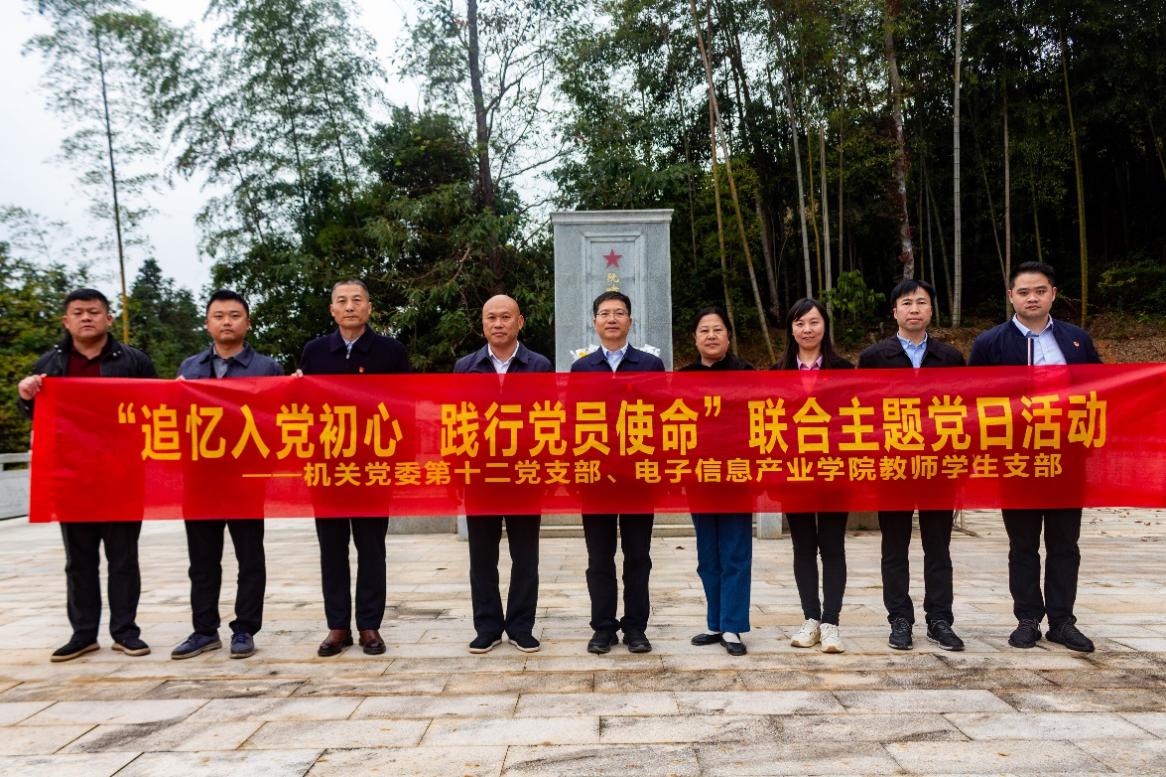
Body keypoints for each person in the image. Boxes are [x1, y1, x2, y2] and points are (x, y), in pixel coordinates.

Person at [969, 261, 1101, 653]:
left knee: (1065, 544)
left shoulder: (1076, 340)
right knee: (1023, 544)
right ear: (1011, 296)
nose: (1032, 298)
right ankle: (1028, 618)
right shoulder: (990, 344)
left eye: (1040, 291)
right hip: (1017, 460)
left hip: (1066, 458)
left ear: (1053, 294)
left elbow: (1102, 390)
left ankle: (1062, 621)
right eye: (1024, 292)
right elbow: (972, 400)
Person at [17, 288, 156, 662]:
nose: (86, 318)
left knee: (123, 559)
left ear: (108, 318)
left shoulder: (134, 361)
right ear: (66, 321)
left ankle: (125, 632)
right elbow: (37, 416)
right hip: (72, 479)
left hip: (121, 477)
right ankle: (83, 633)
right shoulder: (50, 364)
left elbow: (156, 410)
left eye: (94, 312)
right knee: (79, 561)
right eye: (78, 312)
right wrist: (26, 396)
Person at [299, 279, 410, 657]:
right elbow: (303, 410)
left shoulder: (391, 352)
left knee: (371, 549)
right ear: (332, 309)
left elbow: (405, 408)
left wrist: (400, 460)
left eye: (357, 300)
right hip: (327, 468)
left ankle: (368, 626)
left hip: (372, 468)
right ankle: (337, 626)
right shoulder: (314, 352)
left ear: (369, 307)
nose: (350, 306)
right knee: (331, 549)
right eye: (342, 301)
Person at [171, 290, 282, 660]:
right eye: (219, 316)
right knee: (202, 560)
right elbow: (175, 421)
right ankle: (204, 630)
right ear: (208, 323)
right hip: (200, 478)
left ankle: (245, 628)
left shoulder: (267, 368)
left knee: (249, 558)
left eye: (234, 315)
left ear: (247, 323)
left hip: (245, 478)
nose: (227, 322)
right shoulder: (190, 369)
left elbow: (281, 420)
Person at [858, 280, 966, 652]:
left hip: (939, 468)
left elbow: (965, 413)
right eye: (907, 303)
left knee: (938, 547)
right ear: (895, 312)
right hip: (893, 467)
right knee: (894, 547)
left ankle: (940, 619)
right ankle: (900, 619)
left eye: (921, 302)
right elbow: (862, 412)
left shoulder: (950, 357)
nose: (914, 309)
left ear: (931, 310)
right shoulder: (874, 357)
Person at [453, 294, 552, 654]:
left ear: (520, 322)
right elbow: (455, 422)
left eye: (505, 317)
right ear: (482, 324)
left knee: (525, 557)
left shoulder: (538, 366)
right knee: (482, 557)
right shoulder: (466, 367)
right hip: (480, 477)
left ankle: (521, 626)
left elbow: (549, 419)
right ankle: (488, 626)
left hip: (524, 475)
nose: (498, 324)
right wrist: (457, 473)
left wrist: (546, 471)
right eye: (491, 317)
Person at [571, 291, 666, 654]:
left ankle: (636, 628)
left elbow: (661, 420)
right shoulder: (582, 368)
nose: (612, 319)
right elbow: (573, 424)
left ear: (630, 321)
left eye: (619, 313)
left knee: (638, 557)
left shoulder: (649, 365)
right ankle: (603, 628)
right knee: (599, 559)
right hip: (596, 479)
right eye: (605, 313)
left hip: (638, 477)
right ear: (595, 322)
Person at [772, 298, 852, 654]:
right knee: (803, 548)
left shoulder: (844, 370)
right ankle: (811, 619)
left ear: (825, 326)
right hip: (794, 475)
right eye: (800, 323)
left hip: (835, 473)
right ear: (791, 329)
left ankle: (831, 622)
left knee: (832, 547)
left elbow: (855, 421)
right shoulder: (776, 373)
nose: (807, 329)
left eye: (814, 322)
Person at [680, 306, 753, 656]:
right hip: (700, 478)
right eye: (704, 330)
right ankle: (715, 622)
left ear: (728, 335)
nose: (711, 336)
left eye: (717, 329)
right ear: (695, 338)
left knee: (735, 553)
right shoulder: (683, 378)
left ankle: (733, 625)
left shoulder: (746, 374)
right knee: (707, 554)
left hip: (737, 476)